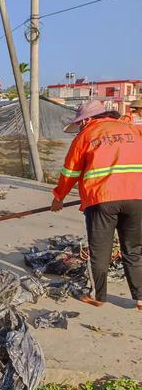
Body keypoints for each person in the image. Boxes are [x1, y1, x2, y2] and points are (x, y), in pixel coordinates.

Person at [51, 100, 142, 311]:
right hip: (138, 199)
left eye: (81, 122)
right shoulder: (132, 131)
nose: (81, 126)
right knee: (134, 250)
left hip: (102, 199)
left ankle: (98, 296)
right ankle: (140, 299)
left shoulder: (86, 136)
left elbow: (70, 172)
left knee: (100, 250)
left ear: (88, 120)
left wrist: (58, 197)